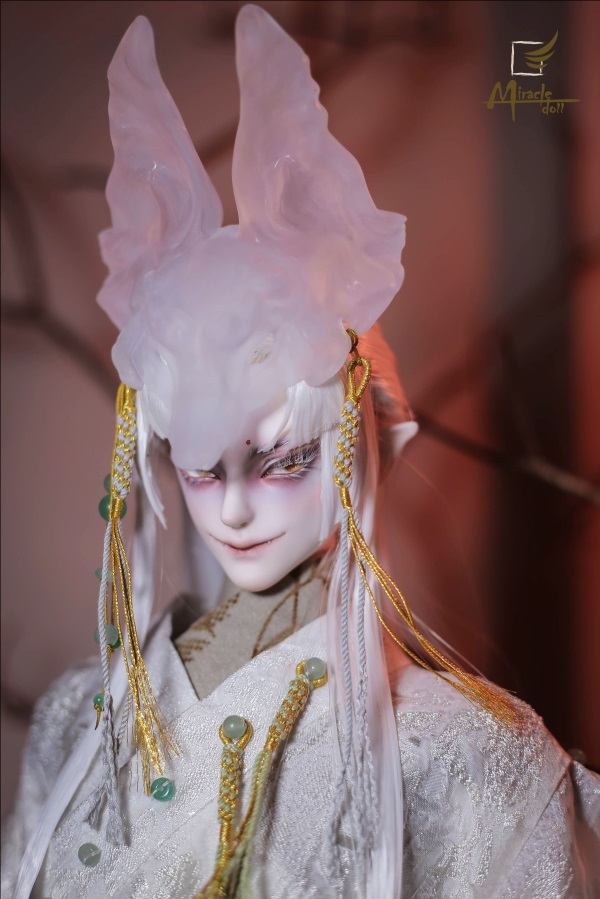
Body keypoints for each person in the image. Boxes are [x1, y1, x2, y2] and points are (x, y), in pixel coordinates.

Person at [2, 7, 598, 899]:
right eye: (201, 469)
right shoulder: (77, 723)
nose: (236, 508)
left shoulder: (469, 759)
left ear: (357, 441)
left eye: (284, 461)